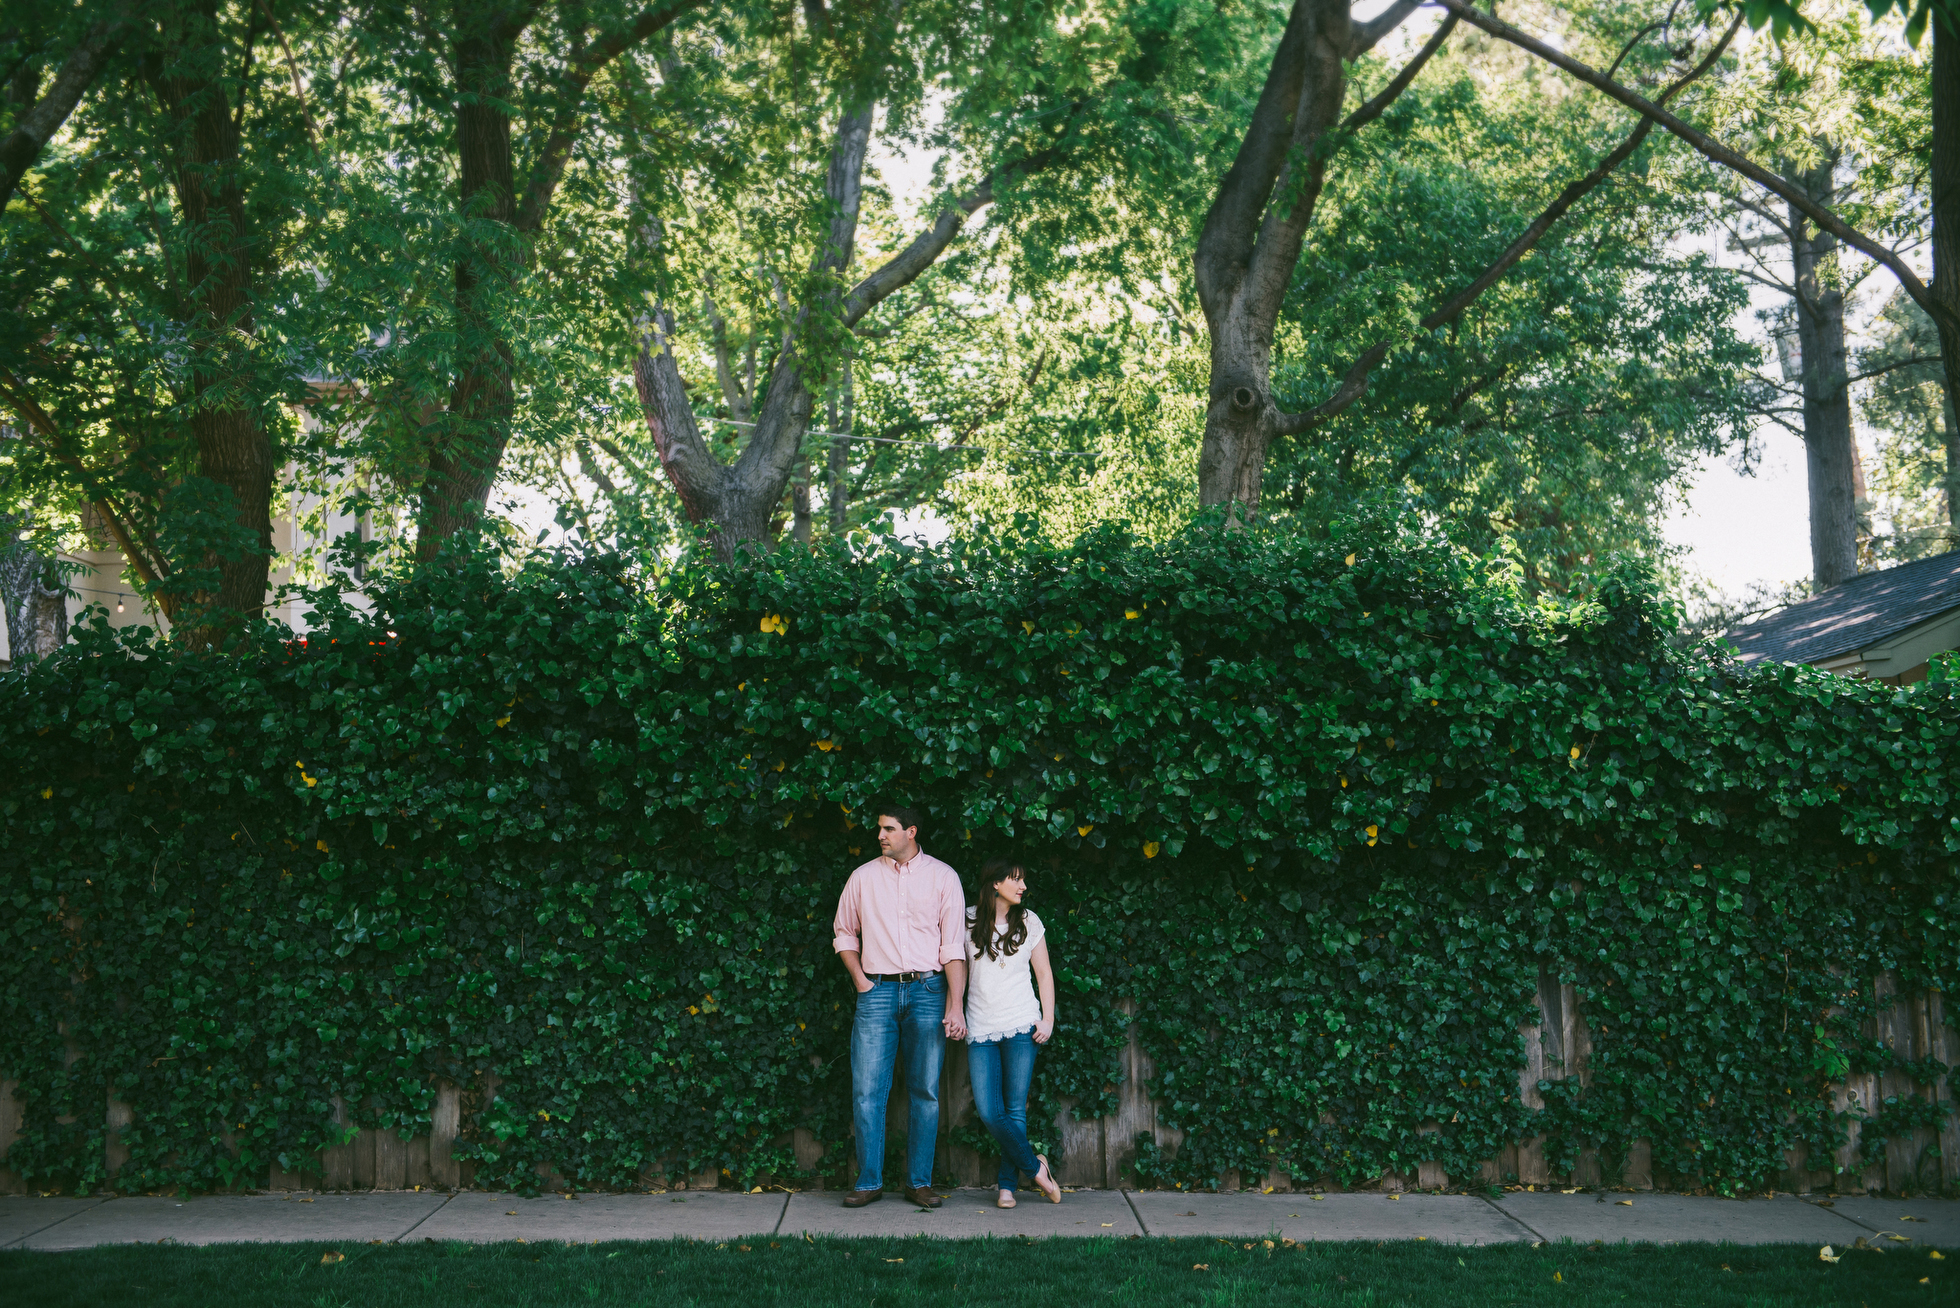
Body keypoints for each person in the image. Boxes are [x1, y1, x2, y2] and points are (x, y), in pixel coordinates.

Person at [831, 804, 968, 1209]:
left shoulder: (943, 877)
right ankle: (869, 1182)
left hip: (928, 991)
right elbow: (843, 932)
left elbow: (952, 947)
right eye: (879, 828)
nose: (880, 835)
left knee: (925, 1090)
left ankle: (919, 1183)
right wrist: (861, 980)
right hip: (877, 993)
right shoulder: (863, 878)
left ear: (911, 831)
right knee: (867, 1091)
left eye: (888, 829)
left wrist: (955, 1004)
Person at [963, 858, 1061, 1208]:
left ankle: (1007, 1186)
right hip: (980, 1028)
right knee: (991, 1112)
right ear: (994, 883)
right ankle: (1037, 1169)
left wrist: (1047, 1019)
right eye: (1014, 880)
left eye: (1023, 880)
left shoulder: (1030, 921)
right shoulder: (966, 919)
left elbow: (1044, 974)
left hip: (1021, 1024)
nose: (1022, 887)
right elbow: (954, 969)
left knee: (1015, 1108)